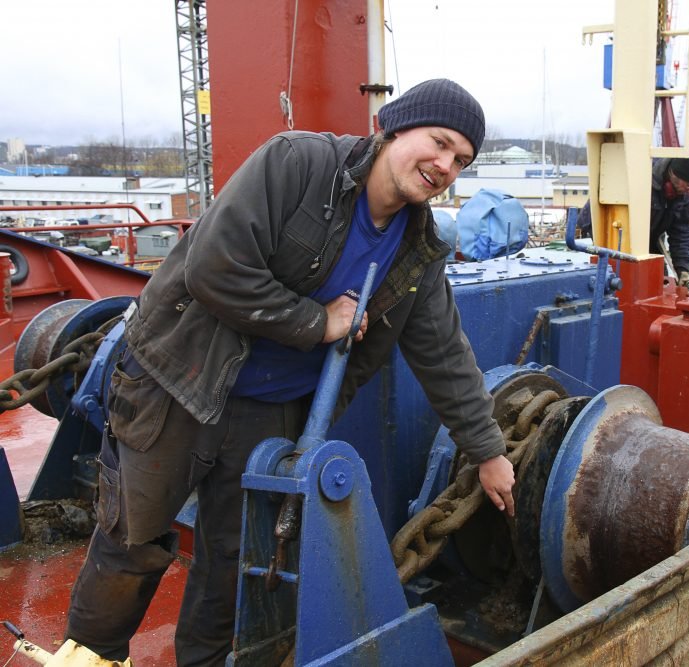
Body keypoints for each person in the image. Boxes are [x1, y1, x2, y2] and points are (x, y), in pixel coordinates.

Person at [64, 79, 516, 666]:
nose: (445, 165)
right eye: (439, 142)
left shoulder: (418, 250)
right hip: (179, 382)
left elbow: (444, 355)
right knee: (132, 540)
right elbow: (213, 265)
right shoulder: (296, 164)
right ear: (394, 126)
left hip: (272, 412)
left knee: (231, 563)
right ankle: (90, 657)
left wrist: (488, 451)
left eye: (461, 160)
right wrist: (316, 322)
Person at [576, 147, 689, 286]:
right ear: (674, 174)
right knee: (619, 280)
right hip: (611, 228)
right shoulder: (642, 175)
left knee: (657, 281)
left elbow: (682, 232)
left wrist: (682, 268)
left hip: (649, 235)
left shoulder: (684, 194)